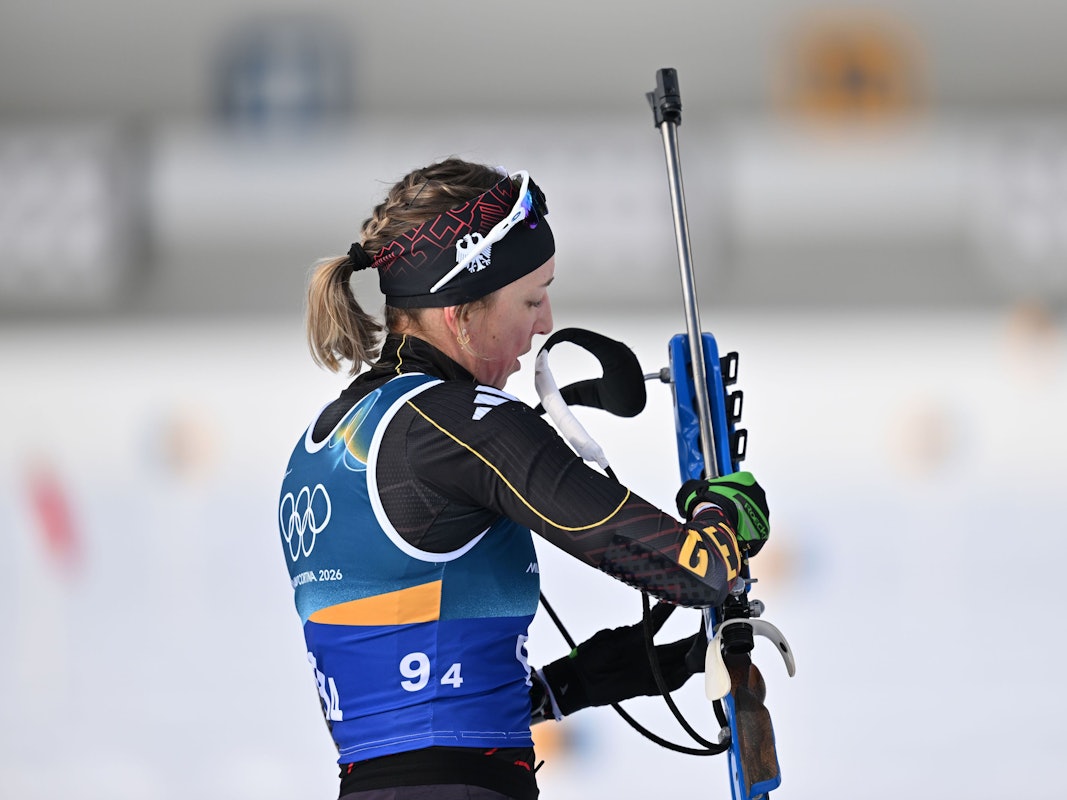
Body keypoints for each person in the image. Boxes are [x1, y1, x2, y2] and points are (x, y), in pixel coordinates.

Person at [277, 157, 770, 800]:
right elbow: (696, 571)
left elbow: (406, 715)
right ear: (459, 314)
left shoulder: (323, 442)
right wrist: (725, 519)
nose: (543, 323)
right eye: (531, 299)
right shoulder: (460, 422)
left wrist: (581, 681)